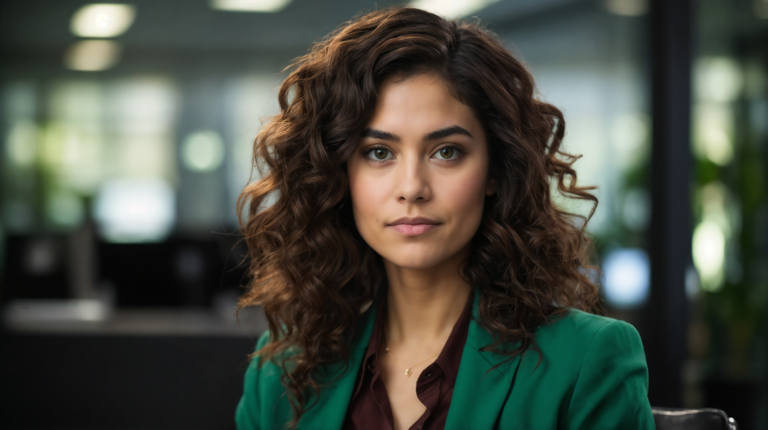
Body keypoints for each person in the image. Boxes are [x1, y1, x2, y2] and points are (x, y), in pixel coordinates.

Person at [235, 6, 655, 430]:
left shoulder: (587, 359)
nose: (413, 187)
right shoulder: (282, 371)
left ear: (494, 170)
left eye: (446, 151)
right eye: (379, 153)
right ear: (340, 173)